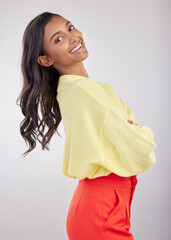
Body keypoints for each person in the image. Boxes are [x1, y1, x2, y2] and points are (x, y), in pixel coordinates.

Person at [17, 12, 157, 240]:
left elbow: (130, 138)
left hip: (105, 206)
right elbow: (141, 149)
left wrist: (131, 131)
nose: (73, 37)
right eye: (58, 39)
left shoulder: (92, 88)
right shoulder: (81, 93)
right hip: (101, 212)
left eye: (70, 28)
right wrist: (141, 133)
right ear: (45, 60)